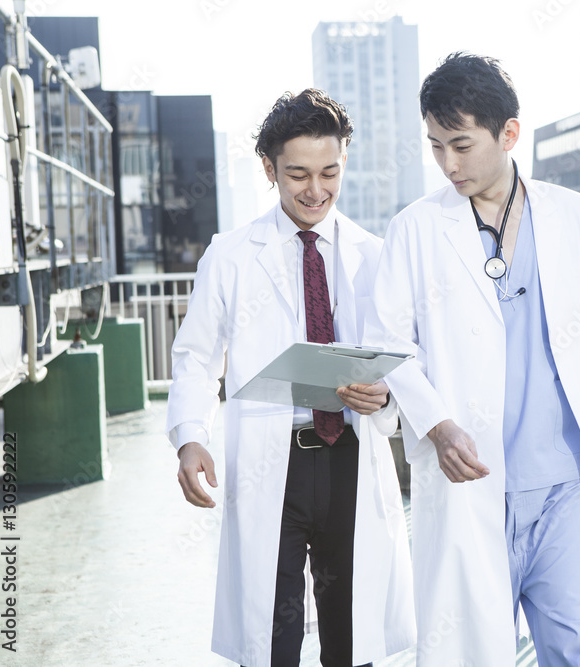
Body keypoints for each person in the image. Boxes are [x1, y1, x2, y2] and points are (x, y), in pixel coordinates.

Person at [364, 53, 580, 666]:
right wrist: (437, 426)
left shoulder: (573, 216)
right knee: (471, 650)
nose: (448, 163)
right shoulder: (415, 229)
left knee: (579, 646)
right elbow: (389, 345)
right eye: (436, 147)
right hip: (471, 478)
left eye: (461, 145)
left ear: (509, 133)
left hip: (565, 483)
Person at [167, 89, 415, 667]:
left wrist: (382, 398)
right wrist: (189, 435)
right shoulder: (229, 255)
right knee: (273, 631)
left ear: (344, 162)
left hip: (351, 457)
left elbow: (399, 360)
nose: (315, 190)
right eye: (298, 174)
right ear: (269, 169)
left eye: (329, 172)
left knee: (349, 631)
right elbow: (196, 357)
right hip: (270, 463)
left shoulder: (373, 255)